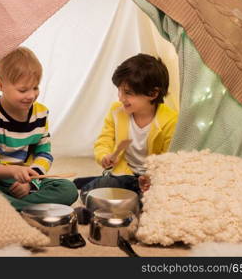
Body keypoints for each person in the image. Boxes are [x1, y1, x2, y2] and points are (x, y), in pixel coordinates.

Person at [0, 47, 78, 210]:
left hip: (27, 179)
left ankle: (12, 208)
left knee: (68, 190)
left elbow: (44, 154)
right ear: (0, 84)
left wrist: (31, 182)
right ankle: (23, 208)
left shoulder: (41, 113)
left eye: (35, 87)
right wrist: (13, 172)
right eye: (22, 90)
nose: (31, 95)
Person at [76, 53, 178, 204]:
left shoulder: (170, 120)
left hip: (152, 180)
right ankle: (103, 181)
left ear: (153, 93)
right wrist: (104, 155)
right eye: (119, 90)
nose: (121, 98)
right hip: (124, 174)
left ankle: (104, 182)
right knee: (88, 195)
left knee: (153, 204)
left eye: (128, 93)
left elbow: (168, 160)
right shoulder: (116, 111)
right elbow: (104, 140)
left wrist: (150, 178)